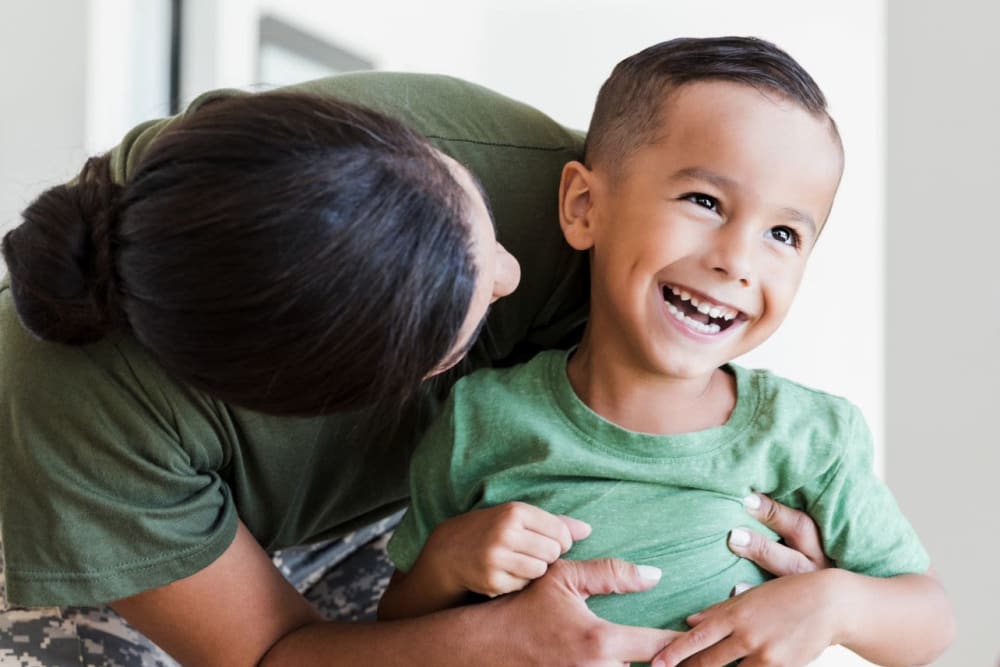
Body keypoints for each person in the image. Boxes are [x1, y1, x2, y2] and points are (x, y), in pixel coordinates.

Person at [0, 70, 833, 666]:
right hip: (95, 536)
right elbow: (265, 649)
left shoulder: (513, 175)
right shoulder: (84, 427)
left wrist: (814, 586)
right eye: (471, 310)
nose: (513, 274)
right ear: (345, 392)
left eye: (478, 218)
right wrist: (492, 643)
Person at [378, 37, 955, 667]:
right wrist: (444, 563)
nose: (736, 260)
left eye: (783, 234)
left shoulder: (812, 436)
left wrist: (834, 604)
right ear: (584, 206)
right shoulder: (478, 419)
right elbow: (398, 625)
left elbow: (928, 619)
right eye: (705, 202)